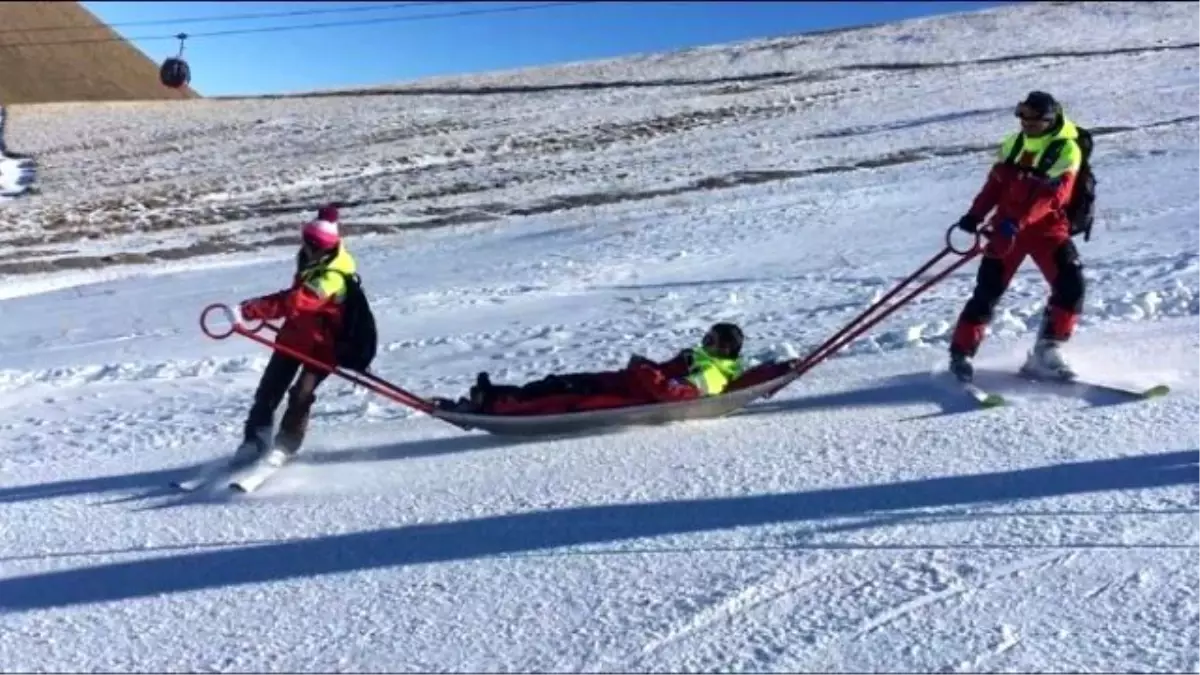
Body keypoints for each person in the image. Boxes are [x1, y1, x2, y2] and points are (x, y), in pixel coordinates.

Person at [947, 91, 1087, 383]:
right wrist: (975, 215)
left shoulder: (1066, 149)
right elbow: (995, 186)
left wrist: (1018, 221)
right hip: (1005, 231)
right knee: (987, 291)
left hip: (1046, 231)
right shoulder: (1013, 144)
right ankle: (961, 354)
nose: (1025, 123)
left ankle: (1046, 352)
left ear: (1049, 120)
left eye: (1032, 118)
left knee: (1071, 286)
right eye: (1022, 115)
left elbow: (1052, 196)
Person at [233, 205, 357, 464]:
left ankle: (286, 445)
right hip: (294, 338)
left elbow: (298, 301)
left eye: (308, 243)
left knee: (301, 392)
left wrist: (254, 309)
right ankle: (254, 440)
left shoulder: (333, 276)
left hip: (325, 347)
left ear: (320, 246)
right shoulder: (311, 259)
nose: (304, 248)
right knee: (269, 390)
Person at [437, 322, 750, 415]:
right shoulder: (697, 357)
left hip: (630, 398)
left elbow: (674, 395)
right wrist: (646, 367)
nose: (703, 340)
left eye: (710, 339)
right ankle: (493, 395)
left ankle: (492, 407)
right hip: (621, 382)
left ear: (723, 348)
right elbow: (665, 372)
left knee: (562, 400)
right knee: (556, 382)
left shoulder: (712, 374)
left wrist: (644, 371)